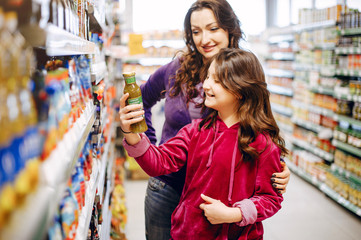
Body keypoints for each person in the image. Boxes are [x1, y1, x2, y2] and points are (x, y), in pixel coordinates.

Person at [120, 0, 290, 239]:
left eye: (212, 28)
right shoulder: (176, 72)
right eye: (196, 32)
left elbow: (259, 123)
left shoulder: (244, 69)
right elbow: (142, 100)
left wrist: (277, 168)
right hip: (168, 184)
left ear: (229, 28)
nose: (204, 39)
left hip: (221, 199)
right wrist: (143, 138)